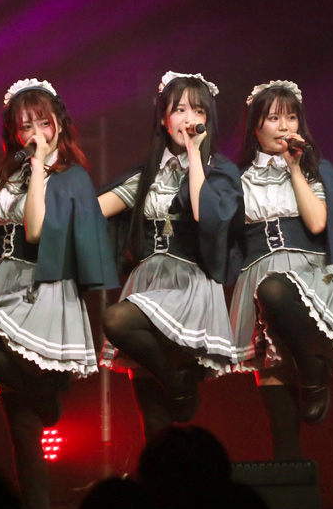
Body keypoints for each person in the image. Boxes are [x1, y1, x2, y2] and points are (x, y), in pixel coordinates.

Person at [0, 78, 117, 509]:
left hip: (43, 293)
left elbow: (37, 230)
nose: (35, 132)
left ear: (59, 123)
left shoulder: (69, 177)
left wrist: (40, 166)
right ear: (13, 133)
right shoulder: (6, 177)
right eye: (25, 126)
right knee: (21, 427)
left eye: (43, 122)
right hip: (3, 288)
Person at [98, 72, 243, 440]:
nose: (188, 119)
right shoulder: (147, 174)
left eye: (198, 111)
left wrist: (194, 153)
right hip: (146, 282)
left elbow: (204, 212)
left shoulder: (218, 170)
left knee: (116, 319)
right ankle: (175, 385)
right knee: (153, 418)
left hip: (188, 286)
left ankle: (177, 384)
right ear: (164, 118)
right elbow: (93, 212)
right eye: (179, 110)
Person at [227, 80, 333, 460]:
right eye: (274, 118)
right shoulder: (238, 178)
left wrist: (295, 168)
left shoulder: (316, 171)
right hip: (257, 273)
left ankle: (311, 369)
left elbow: (318, 222)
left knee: (273, 289)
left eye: (291, 117)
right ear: (255, 127)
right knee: (273, 367)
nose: (284, 126)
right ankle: (288, 469)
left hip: (310, 272)